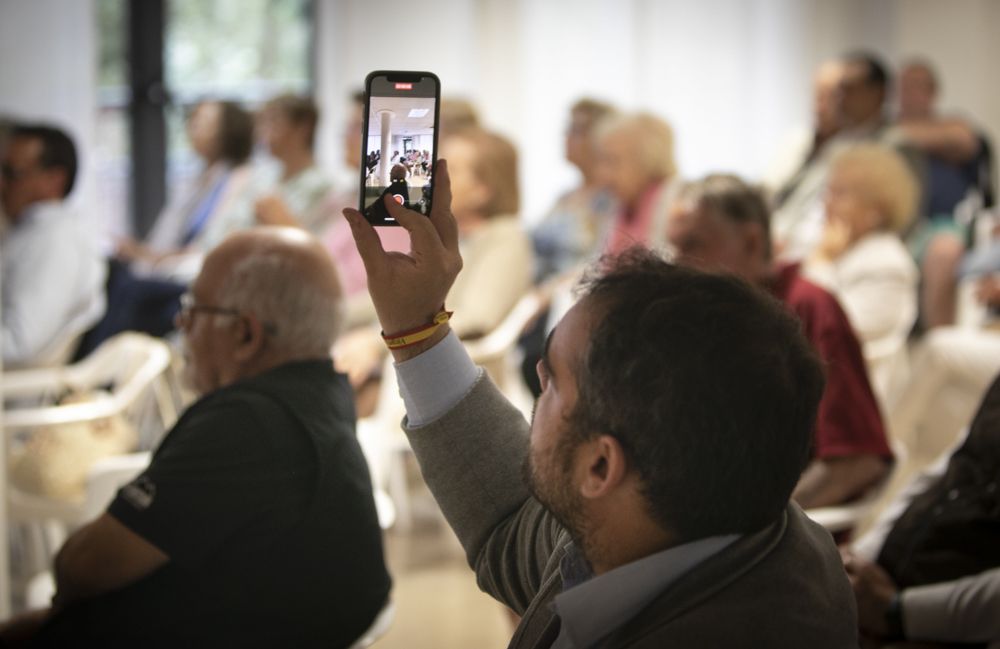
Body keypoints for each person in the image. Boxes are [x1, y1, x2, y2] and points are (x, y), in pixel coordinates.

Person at [341, 162, 857, 647]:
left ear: (601, 464)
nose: (538, 374)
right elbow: (507, 522)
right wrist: (415, 325)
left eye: (556, 381)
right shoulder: (692, 521)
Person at [0, 227, 391, 648]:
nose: (180, 323)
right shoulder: (322, 390)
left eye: (193, 309)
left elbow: (84, 567)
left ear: (245, 334)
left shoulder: (247, 423)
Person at [667, 174, 894, 509]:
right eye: (674, 247)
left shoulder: (809, 308)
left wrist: (756, 528)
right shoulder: (704, 317)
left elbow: (856, 462)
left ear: (751, 242)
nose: (676, 264)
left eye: (693, 245)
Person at [843, 373, 1000, 648]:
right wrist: (863, 555)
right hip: (891, 588)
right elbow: (944, 470)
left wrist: (898, 612)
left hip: (946, 628)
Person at [804, 143, 920, 405]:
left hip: (853, 402)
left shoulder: (888, 264)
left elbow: (828, 330)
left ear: (875, 212)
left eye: (840, 194)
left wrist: (820, 262)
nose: (826, 203)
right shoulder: (840, 248)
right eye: (828, 191)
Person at [1, 123, 106, 367]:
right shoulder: (32, 232)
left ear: (54, 179)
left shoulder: (53, 239)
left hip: (16, 395)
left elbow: (20, 343)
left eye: (12, 173)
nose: (1, 184)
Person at [896, 58, 990, 329]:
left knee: (945, 250)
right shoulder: (886, 130)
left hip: (943, 225)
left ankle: (938, 342)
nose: (907, 95)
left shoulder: (953, 125)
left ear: (932, 92)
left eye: (915, 87)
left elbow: (964, 140)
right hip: (895, 227)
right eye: (902, 88)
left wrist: (905, 136)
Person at [116, 100, 255, 278]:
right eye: (193, 120)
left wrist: (151, 257)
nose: (193, 127)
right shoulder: (201, 179)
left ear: (230, 131)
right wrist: (145, 254)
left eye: (204, 122)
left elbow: (213, 245)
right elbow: (169, 237)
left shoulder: (242, 180)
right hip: (173, 266)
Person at [201, 93, 335, 246]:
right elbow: (223, 228)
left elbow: (317, 249)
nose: (264, 132)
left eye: (273, 121)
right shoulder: (260, 178)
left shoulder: (323, 187)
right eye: (262, 123)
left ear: (303, 127)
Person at [531, 98, 618, 283]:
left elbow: (599, 261)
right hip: (536, 294)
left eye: (577, 130)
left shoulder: (611, 200)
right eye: (568, 128)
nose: (566, 136)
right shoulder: (565, 197)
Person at [594, 112, 678, 255]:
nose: (602, 174)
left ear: (646, 160)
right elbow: (597, 264)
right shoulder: (619, 205)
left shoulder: (675, 206)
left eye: (612, 160)